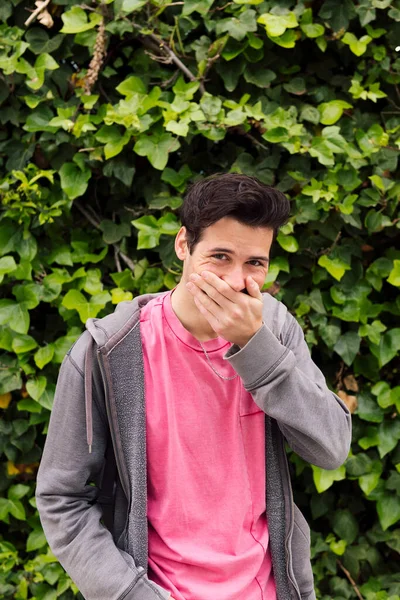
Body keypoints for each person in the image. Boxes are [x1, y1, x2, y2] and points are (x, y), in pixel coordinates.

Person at [36, 173, 351, 600]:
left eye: (255, 263)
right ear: (183, 244)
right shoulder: (109, 350)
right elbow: (62, 499)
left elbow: (330, 448)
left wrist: (254, 347)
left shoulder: (274, 330)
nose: (236, 280)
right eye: (220, 256)